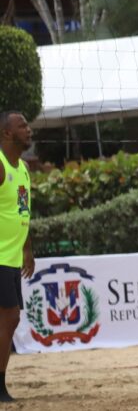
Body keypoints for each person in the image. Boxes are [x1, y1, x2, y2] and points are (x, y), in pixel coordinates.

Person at [0, 112, 33, 403]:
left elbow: (23, 211)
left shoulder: (22, 168)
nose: (29, 129)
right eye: (22, 125)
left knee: (10, 320)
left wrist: (26, 249)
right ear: (6, 134)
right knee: (9, 317)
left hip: (11, 257)